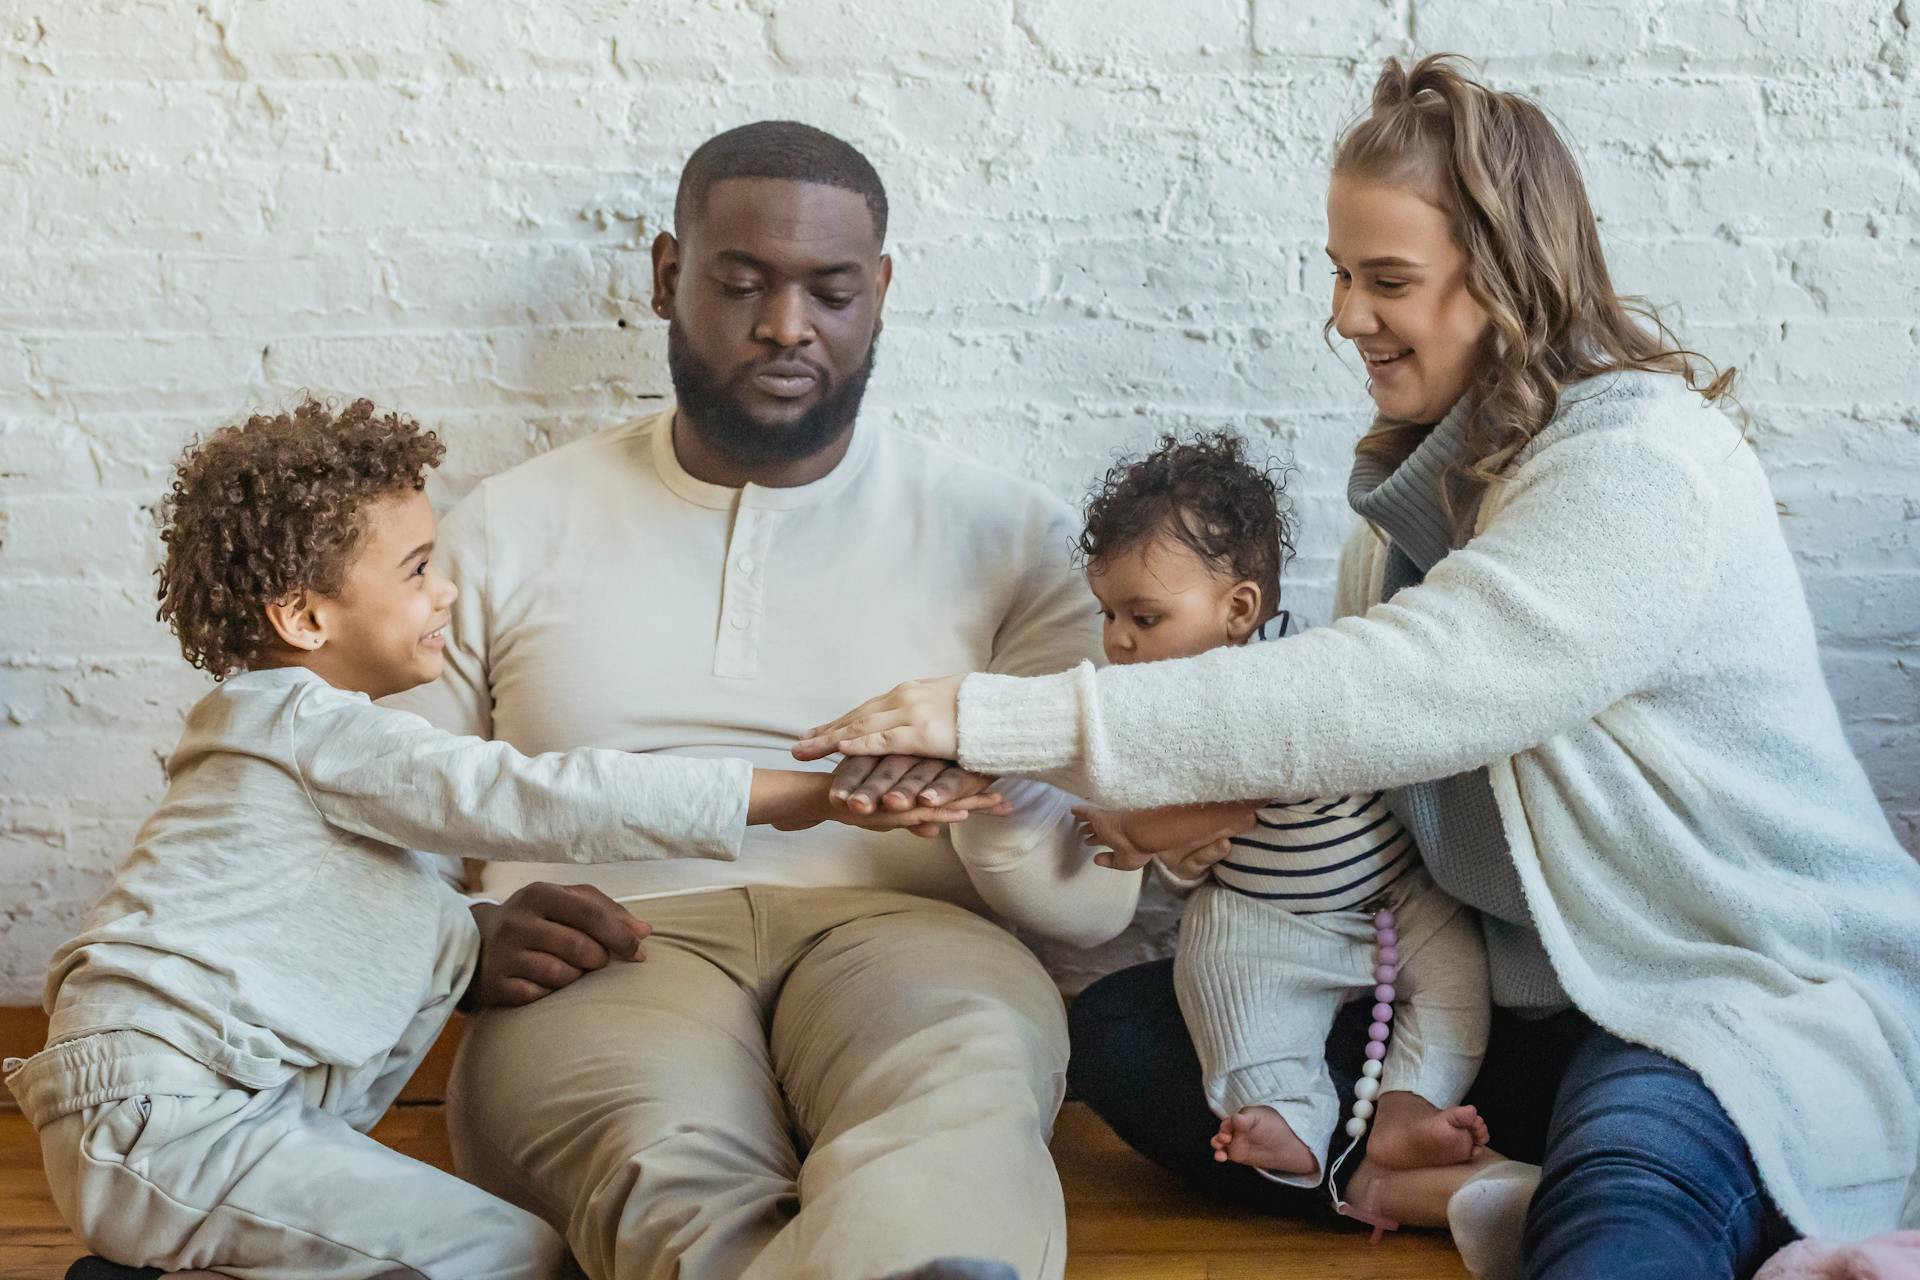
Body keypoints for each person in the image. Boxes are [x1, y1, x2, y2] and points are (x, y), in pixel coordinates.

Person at [795, 55, 1920, 1280]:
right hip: (1526, 989)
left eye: (1387, 280)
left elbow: (1394, 689)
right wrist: (1215, 813)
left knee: (1624, 1212)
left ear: (1508, 280)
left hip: (1717, 987)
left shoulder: (1639, 468)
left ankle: (1542, 1195)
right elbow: (1367, 761)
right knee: (1124, 1031)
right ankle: (1479, 1179)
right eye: (1340, 273)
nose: (1344, 315)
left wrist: (987, 714)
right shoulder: (1417, 498)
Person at [388, 121, 1138, 1280]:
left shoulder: (1014, 539)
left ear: (880, 293)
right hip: (606, 942)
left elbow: (1087, 907)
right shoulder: (505, 525)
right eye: (742, 283)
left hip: (915, 932)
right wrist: (459, 939)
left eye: (831, 290)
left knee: (960, 1087)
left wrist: (977, 783)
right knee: (655, 1147)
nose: (787, 325)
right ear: (665, 275)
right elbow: (385, 799)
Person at [5, 399, 976, 1280]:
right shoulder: (314, 726)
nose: (449, 593)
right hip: (164, 1111)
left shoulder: (291, 743)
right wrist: (793, 796)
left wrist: (472, 936)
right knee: (501, 1252)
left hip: (179, 1108)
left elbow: (324, 915)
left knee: (456, 1253)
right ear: (304, 615)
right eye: (419, 570)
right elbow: (534, 794)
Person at [1065, 431, 1495, 1203]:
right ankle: (1282, 1113)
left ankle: (1406, 1108)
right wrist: (1178, 856)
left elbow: (1236, 798)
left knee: (1460, 979)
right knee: (1221, 978)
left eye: (1145, 616)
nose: (1119, 638)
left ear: (1238, 610)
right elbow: (1200, 831)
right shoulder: (1151, 708)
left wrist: (1135, 833)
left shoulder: (1278, 683)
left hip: (1391, 901)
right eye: (1108, 613)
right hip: (1265, 917)